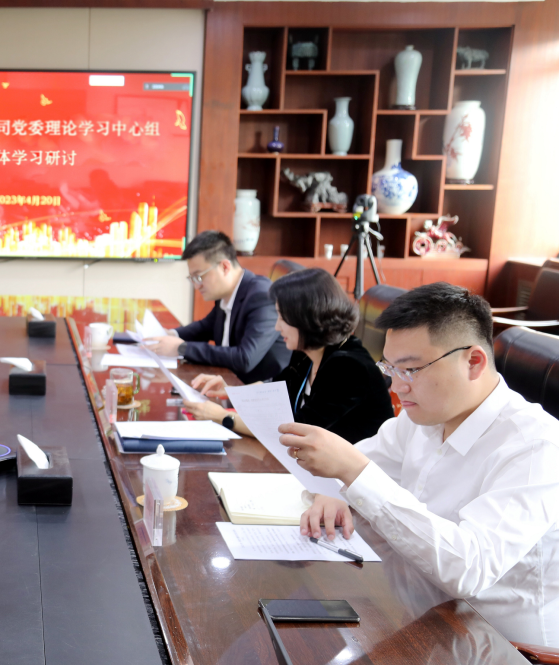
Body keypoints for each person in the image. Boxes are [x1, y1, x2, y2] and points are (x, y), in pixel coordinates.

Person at [277, 282, 559, 647]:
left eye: (410, 369)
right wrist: (334, 490)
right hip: (416, 616)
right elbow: (352, 471)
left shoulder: (536, 447)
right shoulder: (423, 418)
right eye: (390, 367)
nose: (396, 387)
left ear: (473, 362)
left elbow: (469, 569)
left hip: (497, 645)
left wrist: (353, 473)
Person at [184, 268, 393, 443]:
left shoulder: (349, 368)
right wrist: (232, 392)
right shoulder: (308, 352)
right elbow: (276, 389)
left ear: (306, 319)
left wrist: (224, 417)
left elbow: (295, 431)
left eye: (282, 318)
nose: (277, 326)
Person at [143, 231, 290, 383]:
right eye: (192, 278)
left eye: (199, 277)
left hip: (257, 389)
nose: (197, 286)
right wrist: (171, 334)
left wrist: (182, 348)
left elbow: (245, 358)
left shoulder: (262, 297)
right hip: (228, 381)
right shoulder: (227, 294)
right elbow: (205, 327)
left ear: (225, 267)